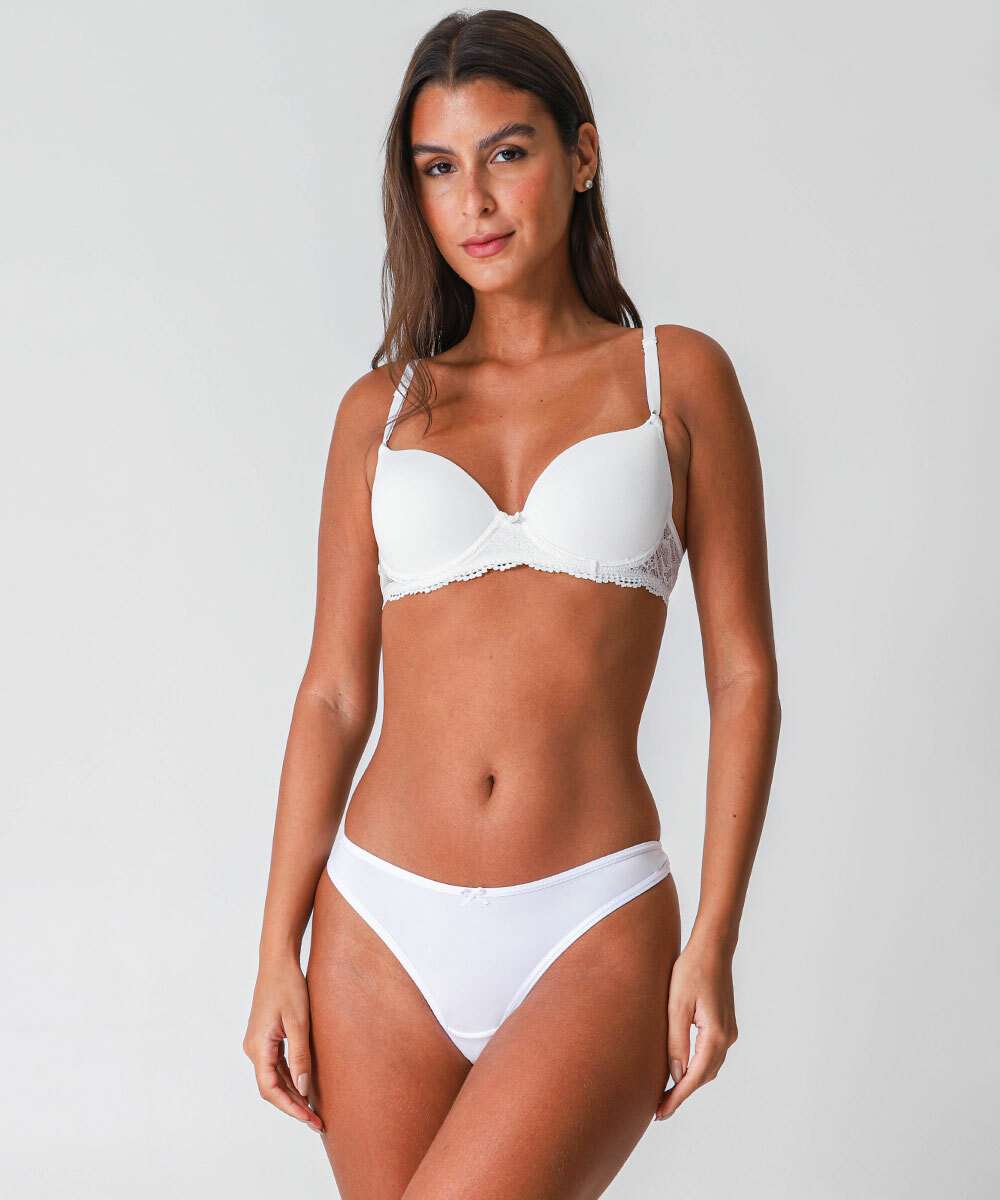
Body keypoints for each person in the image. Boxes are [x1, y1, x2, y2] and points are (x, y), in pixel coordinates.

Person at [243, 10, 780, 1196]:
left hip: (591, 921)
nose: (474, 202)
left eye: (507, 153)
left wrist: (715, 938)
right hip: (377, 925)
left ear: (580, 155)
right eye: (438, 169)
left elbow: (742, 675)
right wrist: (276, 946)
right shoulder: (381, 412)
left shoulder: (676, 378)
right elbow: (332, 693)